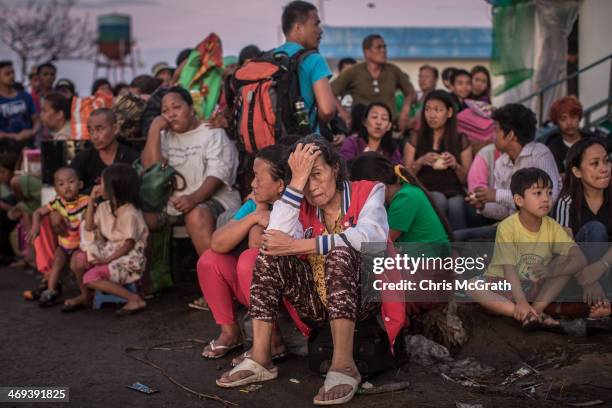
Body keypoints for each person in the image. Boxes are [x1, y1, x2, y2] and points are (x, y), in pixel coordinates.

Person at [216, 136, 403, 406]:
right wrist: (295, 184)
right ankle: (260, 358)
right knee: (268, 259)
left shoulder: (368, 191)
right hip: (317, 301)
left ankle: (343, 366)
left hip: (364, 298)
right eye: (305, 180)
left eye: (317, 174)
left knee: (339, 252)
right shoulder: (298, 200)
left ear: (335, 169)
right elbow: (273, 240)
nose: (312, 188)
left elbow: (369, 236)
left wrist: (301, 245)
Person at [198, 145, 288, 361]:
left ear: (281, 185)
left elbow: (255, 245)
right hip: (254, 290)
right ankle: (230, 333)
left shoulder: (290, 206)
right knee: (209, 260)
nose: (252, 184)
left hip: (286, 292)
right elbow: (217, 243)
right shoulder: (256, 204)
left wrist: (260, 212)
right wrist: (256, 215)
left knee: (250, 260)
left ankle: (271, 341)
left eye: (258, 178)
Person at [467, 168, 586, 330]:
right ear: (519, 200)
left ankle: (535, 311)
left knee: (565, 264)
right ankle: (523, 313)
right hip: (504, 285)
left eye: (549, 193)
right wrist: (521, 302)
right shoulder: (507, 227)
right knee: (472, 286)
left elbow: (580, 259)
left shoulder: (552, 226)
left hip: (534, 287)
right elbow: (509, 269)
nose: (546, 199)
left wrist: (551, 271)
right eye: (537, 193)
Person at [141, 86, 240, 256]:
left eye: (177, 107)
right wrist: (154, 129)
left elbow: (217, 175)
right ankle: (157, 279)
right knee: (142, 216)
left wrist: (193, 199)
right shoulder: (163, 136)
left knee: (196, 214)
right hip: (174, 204)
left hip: (213, 199)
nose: (171, 114)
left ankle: (215, 272)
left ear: (191, 108)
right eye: (165, 110)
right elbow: (151, 169)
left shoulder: (212, 133)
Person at [463, 104, 560, 238]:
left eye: (496, 130)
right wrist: (483, 205)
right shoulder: (501, 163)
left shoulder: (540, 154)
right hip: (511, 229)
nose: (493, 136)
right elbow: (504, 211)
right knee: (457, 239)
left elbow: (547, 201)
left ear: (510, 135)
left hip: (539, 233)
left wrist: (496, 195)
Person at [74, 163, 148, 316]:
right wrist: (90, 201)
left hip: (127, 259)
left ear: (114, 188)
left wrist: (106, 260)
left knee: (89, 278)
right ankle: (86, 296)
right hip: (111, 251)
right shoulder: (104, 207)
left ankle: (134, 299)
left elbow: (129, 244)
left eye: (102, 183)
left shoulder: (131, 213)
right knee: (79, 260)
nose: (98, 186)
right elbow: (89, 227)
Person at [553, 138, 612, 318]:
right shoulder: (566, 202)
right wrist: (589, 281)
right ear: (577, 171)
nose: (604, 168)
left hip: (607, 266)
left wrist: (600, 267)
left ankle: (602, 303)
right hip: (576, 273)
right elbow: (564, 249)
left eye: (607, 160)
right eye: (594, 163)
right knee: (595, 229)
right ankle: (602, 301)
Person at [404, 90, 472, 230]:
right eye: (428, 109)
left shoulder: (461, 140)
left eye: (438, 110)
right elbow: (405, 176)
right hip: (425, 189)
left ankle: (458, 248)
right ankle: (434, 246)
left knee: (456, 205)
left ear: (449, 113)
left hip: (454, 191)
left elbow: (466, 180)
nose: (432, 115)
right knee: (438, 199)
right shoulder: (415, 137)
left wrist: (455, 165)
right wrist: (420, 161)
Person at [28, 167, 89, 307]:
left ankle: (84, 293)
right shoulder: (57, 202)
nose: (66, 186)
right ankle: (50, 291)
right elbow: (37, 212)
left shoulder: (86, 201)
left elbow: (94, 216)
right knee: (57, 261)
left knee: (75, 265)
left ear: (80, 184)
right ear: (56, 189)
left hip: (79, 245)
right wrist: (35, 226)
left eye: (71, 182)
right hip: (64, 245)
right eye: (61, 184)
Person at [331, 33, 416, 132]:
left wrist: (404, 112)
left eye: (384, 47)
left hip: (388, 128)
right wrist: (344, 114)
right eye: (378, 47)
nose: (383, 50)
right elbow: (330, 91)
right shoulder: (354, 71)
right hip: (361, 130)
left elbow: (411, 93)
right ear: (367, 52)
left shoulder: (393, 70)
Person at [274, 1, 336, 129]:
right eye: (316, 24)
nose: (320, 31)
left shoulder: (271, 57)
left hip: (274, 143)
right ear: (298, 28)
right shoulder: (313, 59)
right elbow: (327, 110)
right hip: (306, 144)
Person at [70, 108, 140, 193]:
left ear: (115, 129)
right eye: (90, 130)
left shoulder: (132, 157)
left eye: (100, 129)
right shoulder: (81, 159)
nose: (94, 136)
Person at [0, 60, 39, 153]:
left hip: (27, 144)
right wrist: (15, 136)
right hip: (4, 148)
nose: (12, 76)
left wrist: (32, 132)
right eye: (7, 74)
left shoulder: (25, 96)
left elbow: (37, 120)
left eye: (13, 72)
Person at [546, 96, 590, 174]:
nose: (569, 123)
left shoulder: (591, 141)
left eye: (573, 117)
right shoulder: (553, 149)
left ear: (579, 118)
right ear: (557, 122)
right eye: (563, 119)